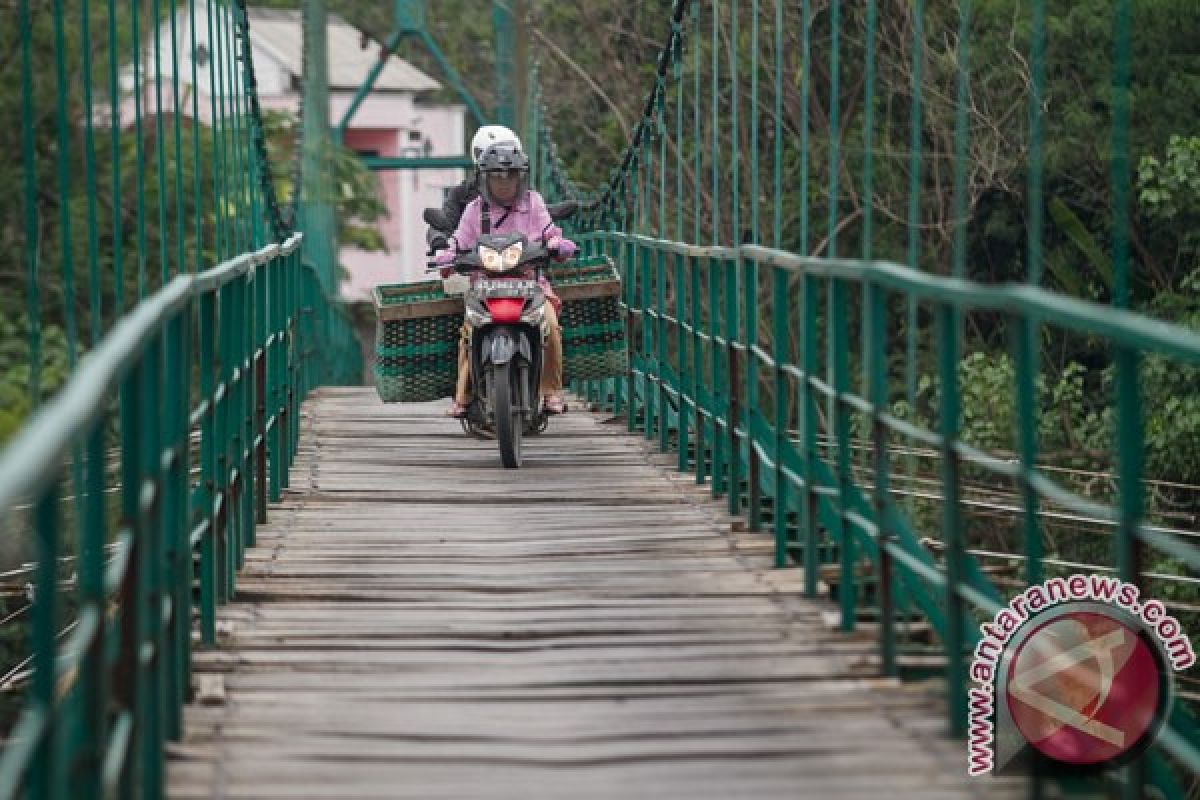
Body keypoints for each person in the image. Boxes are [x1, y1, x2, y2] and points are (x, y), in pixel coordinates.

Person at [436, 142, 577, 418]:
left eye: (510, 176)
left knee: (549, 324)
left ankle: (551, 391)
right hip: (485, 288)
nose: (504, 184)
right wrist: (447, 254)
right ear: (484, 179)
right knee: (468, 332)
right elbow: (459, 240)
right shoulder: (475, 209)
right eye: (496, 177)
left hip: (530, 284)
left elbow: (550, 232)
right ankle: (463, 396)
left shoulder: (534, 203)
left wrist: (559, 244)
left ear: (521, 178)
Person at [425, 125, 522, 253]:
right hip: (473, 265)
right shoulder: (463, 196)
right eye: (495, 167)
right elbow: (446, 223)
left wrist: (552, 238)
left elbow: (540, 216)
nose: (504, 178)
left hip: (520, 260)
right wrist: (439, 241)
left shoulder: (527, 196)